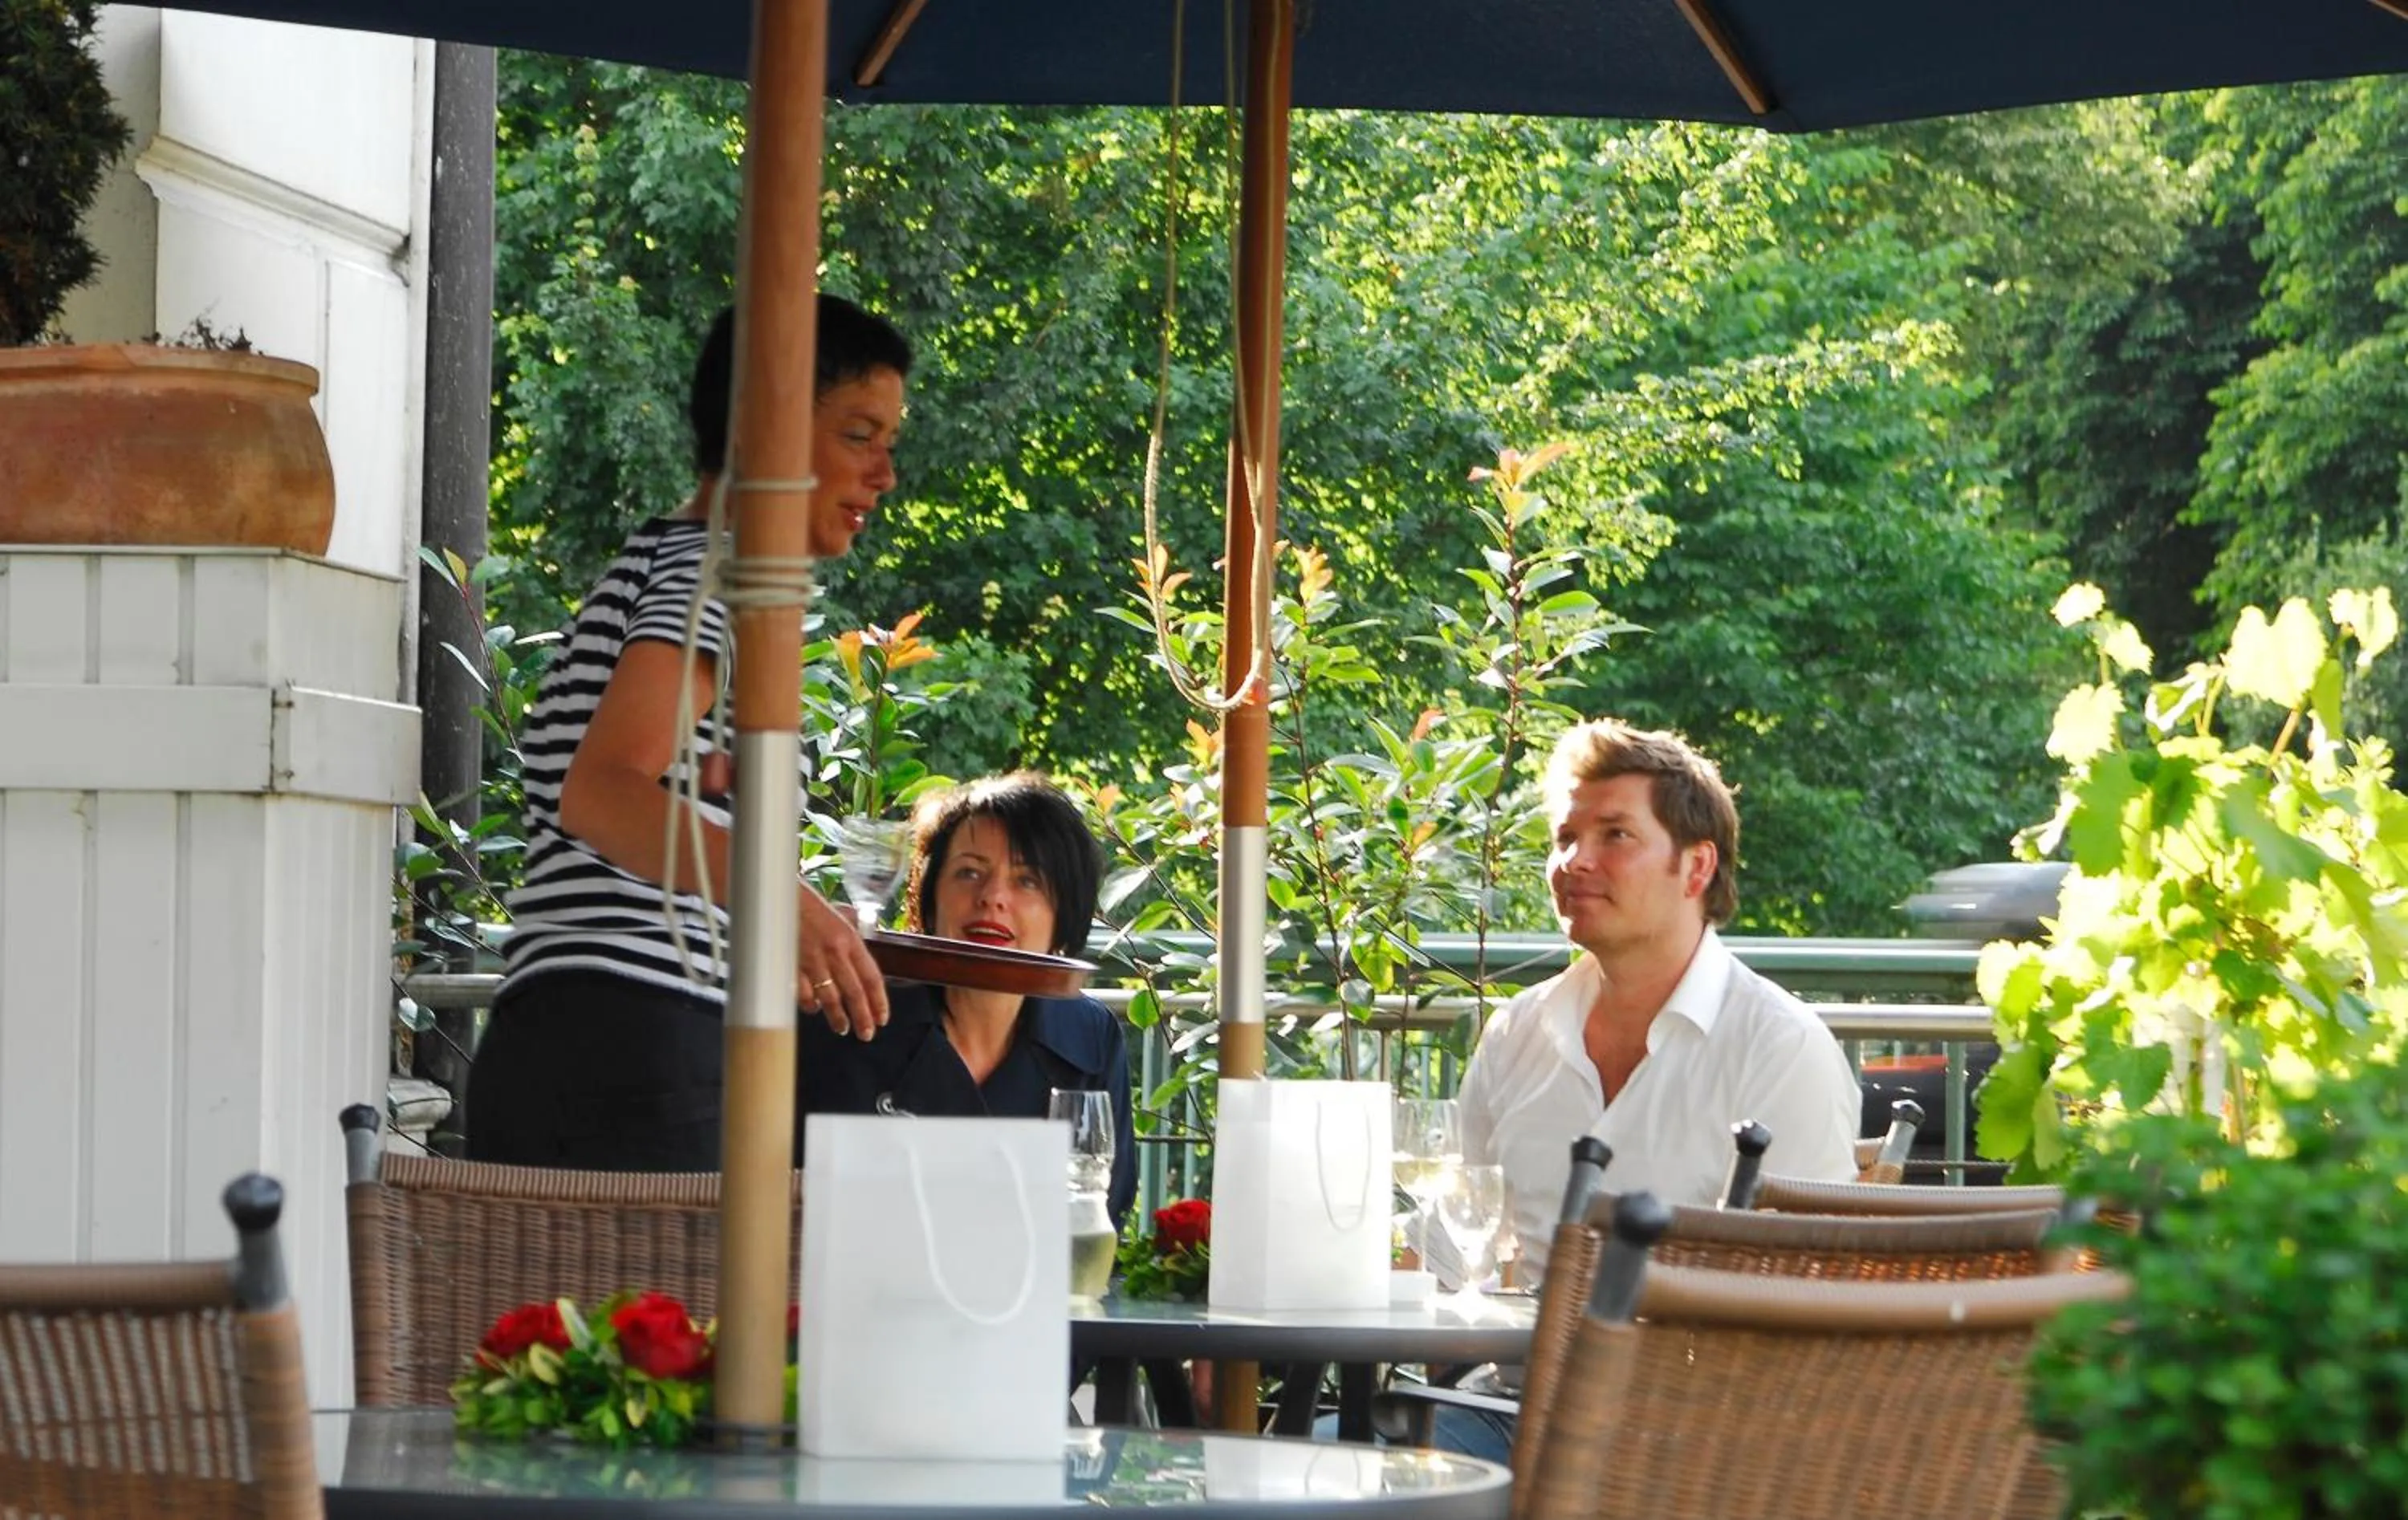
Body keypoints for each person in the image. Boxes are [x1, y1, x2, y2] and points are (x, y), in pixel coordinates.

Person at [465, 294, 910, 1171]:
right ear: (763, 428)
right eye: (859, 435)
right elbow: (602, 793)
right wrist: (782, 902)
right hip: (637, 1050)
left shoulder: (666, 561)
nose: (885, 475)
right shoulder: (720, 575)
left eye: (889, 443)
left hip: (562, 1040)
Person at [1421, 717, 1859, 1461]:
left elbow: (1807, 1296)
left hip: (1689, 1442)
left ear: (1696, 868)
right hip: (1510, 1412)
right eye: (1565, 837)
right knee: (1313, 1470)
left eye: (1615, 835)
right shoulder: (1517, 1033)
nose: (1574, 861)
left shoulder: (1779, 1047)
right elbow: (1449, 1261)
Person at [795, 772, 1138, 1227]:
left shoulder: (1089, 1036)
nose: (993, 897)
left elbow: (1102, 1210)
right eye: (969, 872)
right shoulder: (849, 1011)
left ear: (1065, 916)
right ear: (930, 900)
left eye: (1027, 880)